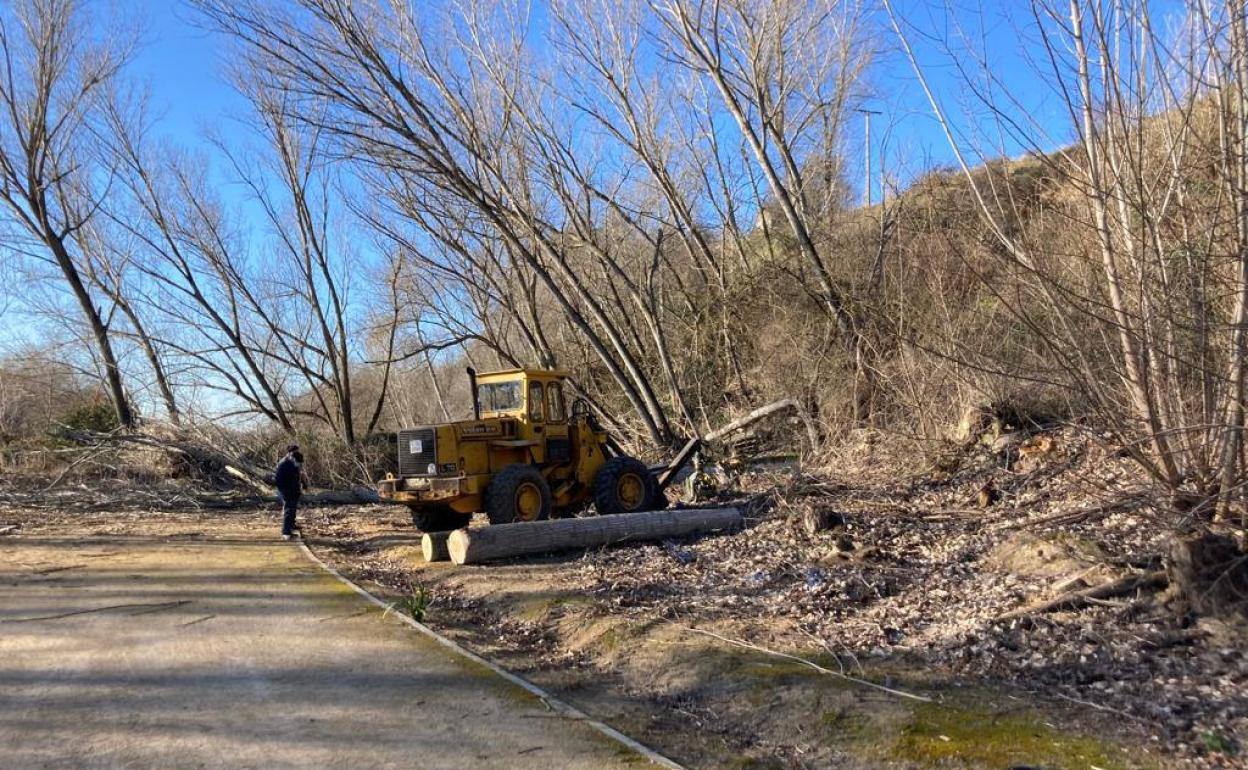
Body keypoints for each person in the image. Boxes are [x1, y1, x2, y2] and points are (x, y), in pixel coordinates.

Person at [274, 445, 307, 540]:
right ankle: (286, 533)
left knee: (292, 509)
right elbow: (279, 481)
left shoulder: (293, 463)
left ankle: (291, 526)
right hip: (285, 490)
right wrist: (287, 491)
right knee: (288, 511)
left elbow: (297, 476)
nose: (298, 465)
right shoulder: (284, 465)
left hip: (292, 490)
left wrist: (302, 485)